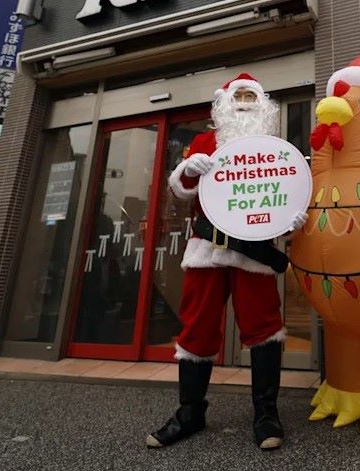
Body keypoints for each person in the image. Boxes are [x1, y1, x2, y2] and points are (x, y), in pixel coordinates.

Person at [145, 74, 306, 451]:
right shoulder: (204, 142)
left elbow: (282, 195)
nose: (246, 102)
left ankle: (266, 415)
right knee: (197, 328)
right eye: (240, 96)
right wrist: (187, 170)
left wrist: (291, 222)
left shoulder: (275, 148)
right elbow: (180, 191)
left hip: (254, 252)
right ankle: (190, 413)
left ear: (263, 104)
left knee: (264, 327)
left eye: (252, 96)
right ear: (225, 103)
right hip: (208, 250)